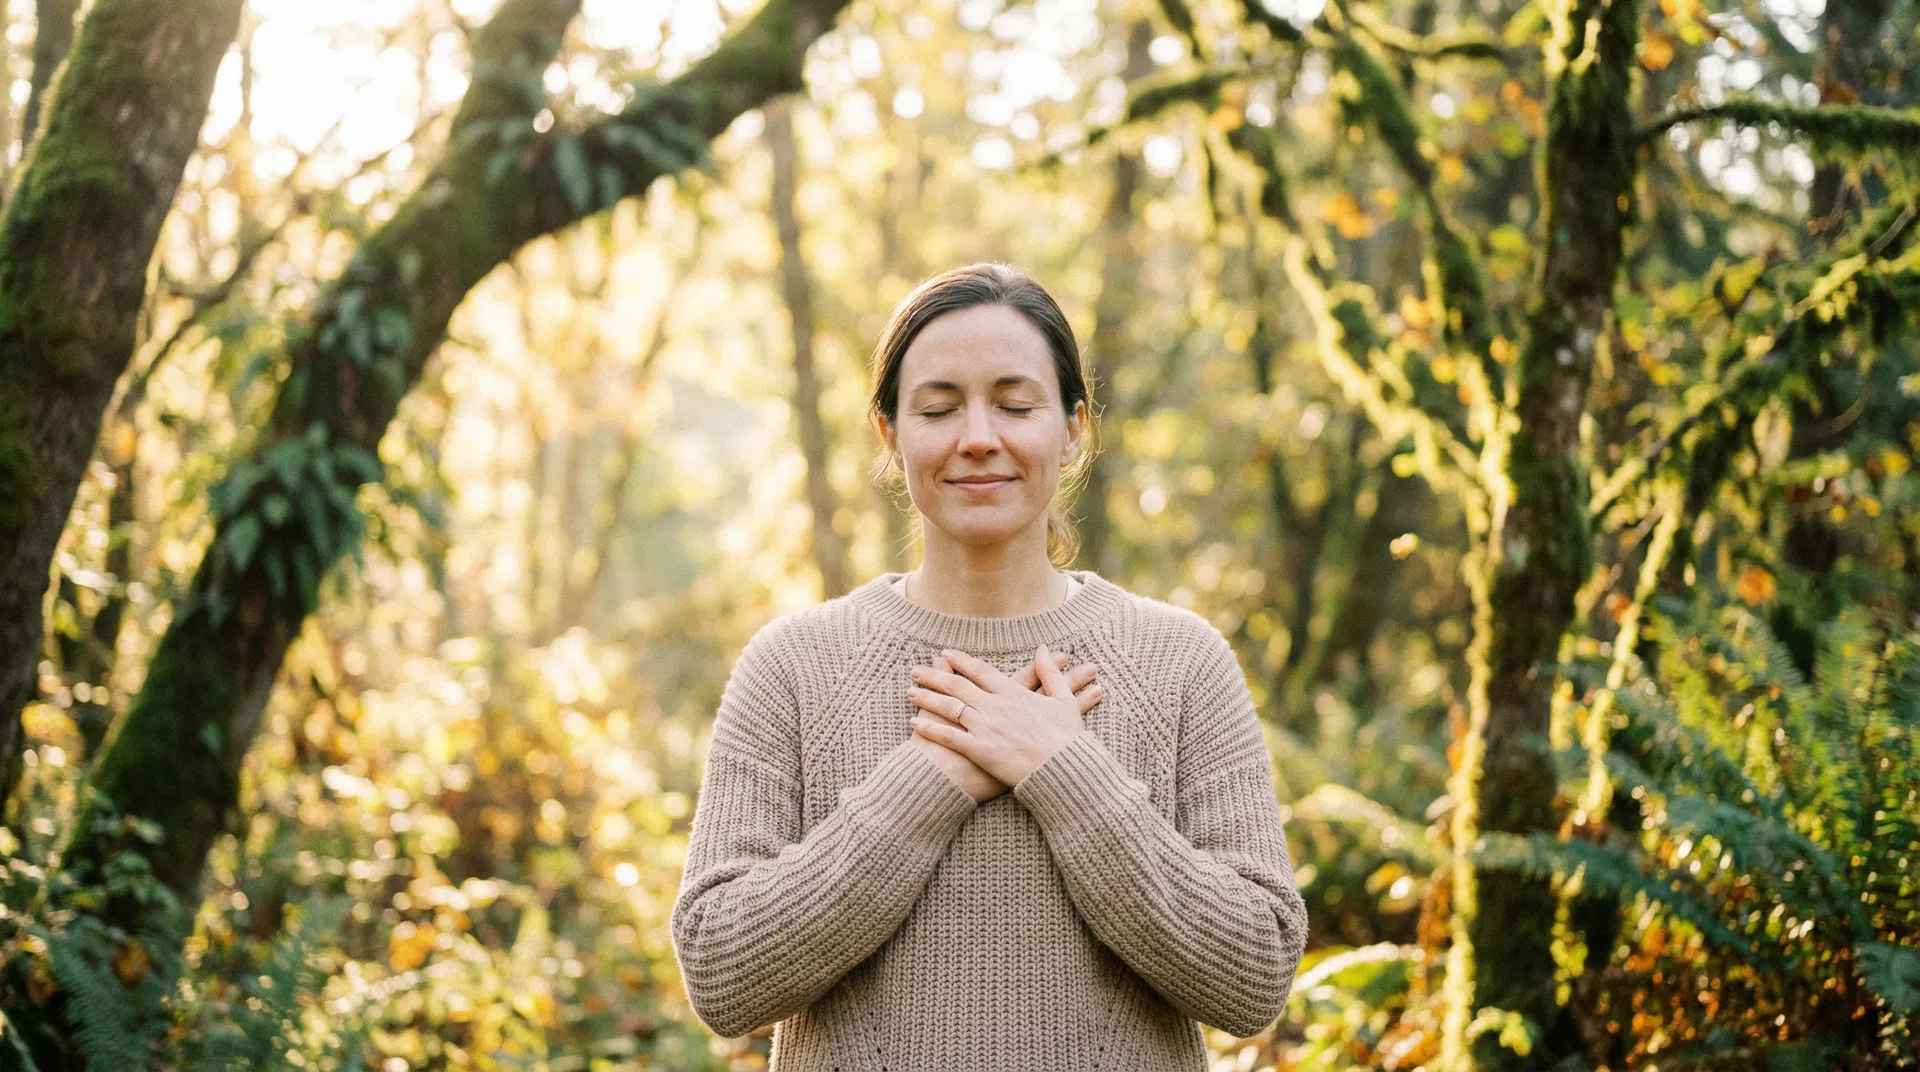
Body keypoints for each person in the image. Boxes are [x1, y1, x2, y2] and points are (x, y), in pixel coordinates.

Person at [669, 262, 1307, 1070]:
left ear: (1072, 429)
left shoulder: (1182, 661)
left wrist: (1066, 772)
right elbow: (722, 977)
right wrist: (928, 781)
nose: (977, 437)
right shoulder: (792, 666)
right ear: (890, 434)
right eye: (939, 408)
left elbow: (1255, 977)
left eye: (1014, 404)